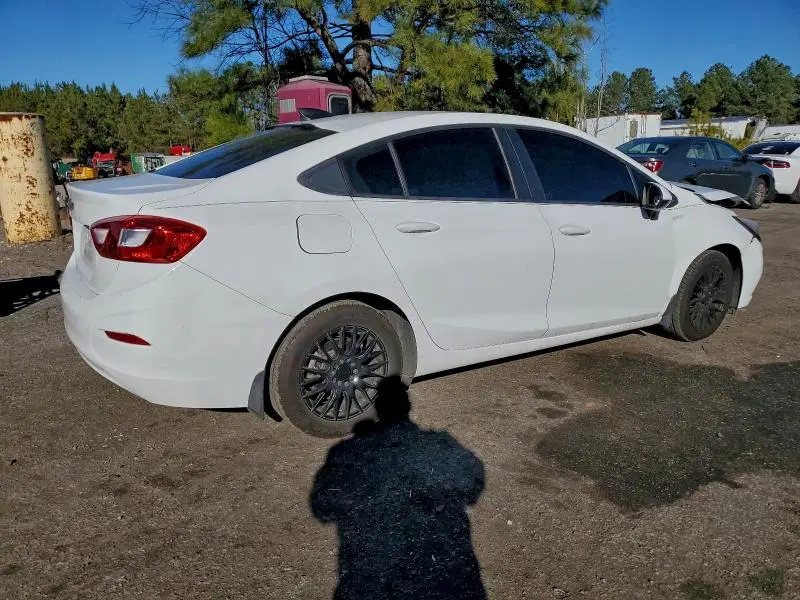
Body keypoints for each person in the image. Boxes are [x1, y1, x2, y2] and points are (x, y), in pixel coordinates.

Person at [310, 376, 487, 600]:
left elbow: (322, 508)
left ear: (377, 409)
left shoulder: (346, 453)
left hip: (371, 578)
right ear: (408, 407)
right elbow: (474, 482)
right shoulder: (440, 445)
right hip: (440, 581)